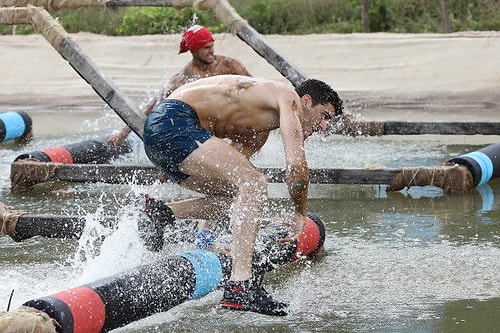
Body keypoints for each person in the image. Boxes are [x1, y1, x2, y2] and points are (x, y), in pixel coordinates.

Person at [142, 74, 343, 316]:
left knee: (239, 191)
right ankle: (241, 285)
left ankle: (162, 213)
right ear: (307, 101)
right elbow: (296, 166)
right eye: (325, 116)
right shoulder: (288, 97)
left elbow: (232, 185)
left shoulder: (257, 131)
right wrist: (300, 212)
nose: (324, 127)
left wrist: (207, 241)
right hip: (172, 121)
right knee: (255, 183)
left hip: (161, 136)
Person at [108, 25, 251, 146]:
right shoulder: (182, 80)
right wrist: (123, 133)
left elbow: (255, 86)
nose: (212, 52)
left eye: (212, 46)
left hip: (233, 120)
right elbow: (153, 107)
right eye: (206, 48)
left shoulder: (229, 65)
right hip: (206, 129)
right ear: (194, 50)